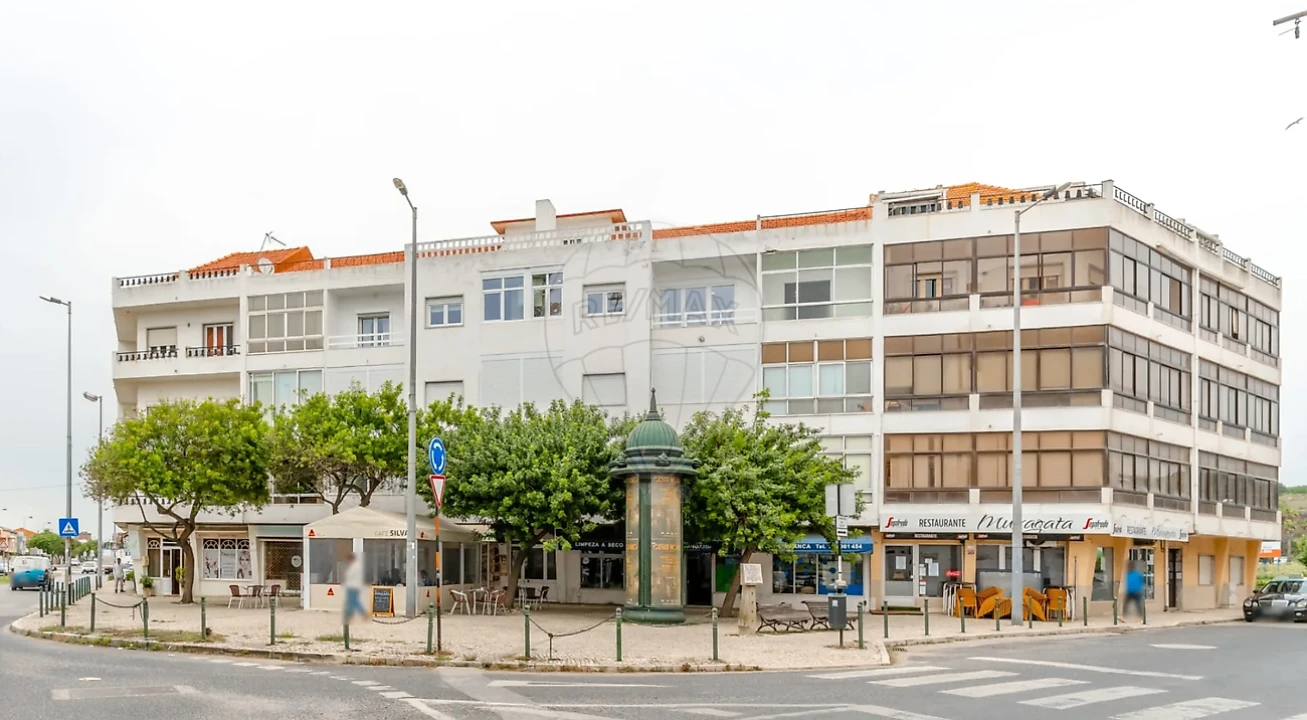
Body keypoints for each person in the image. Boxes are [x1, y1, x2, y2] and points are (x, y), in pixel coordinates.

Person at [342, 553, 368, 624]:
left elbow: (349, 575)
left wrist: (345, 572)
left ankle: (361, 614)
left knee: (353, 601)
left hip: (353, 587)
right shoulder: (356, 566)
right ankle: (351, 615)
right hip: (354, 586)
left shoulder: (355, 567)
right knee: (352, 601)